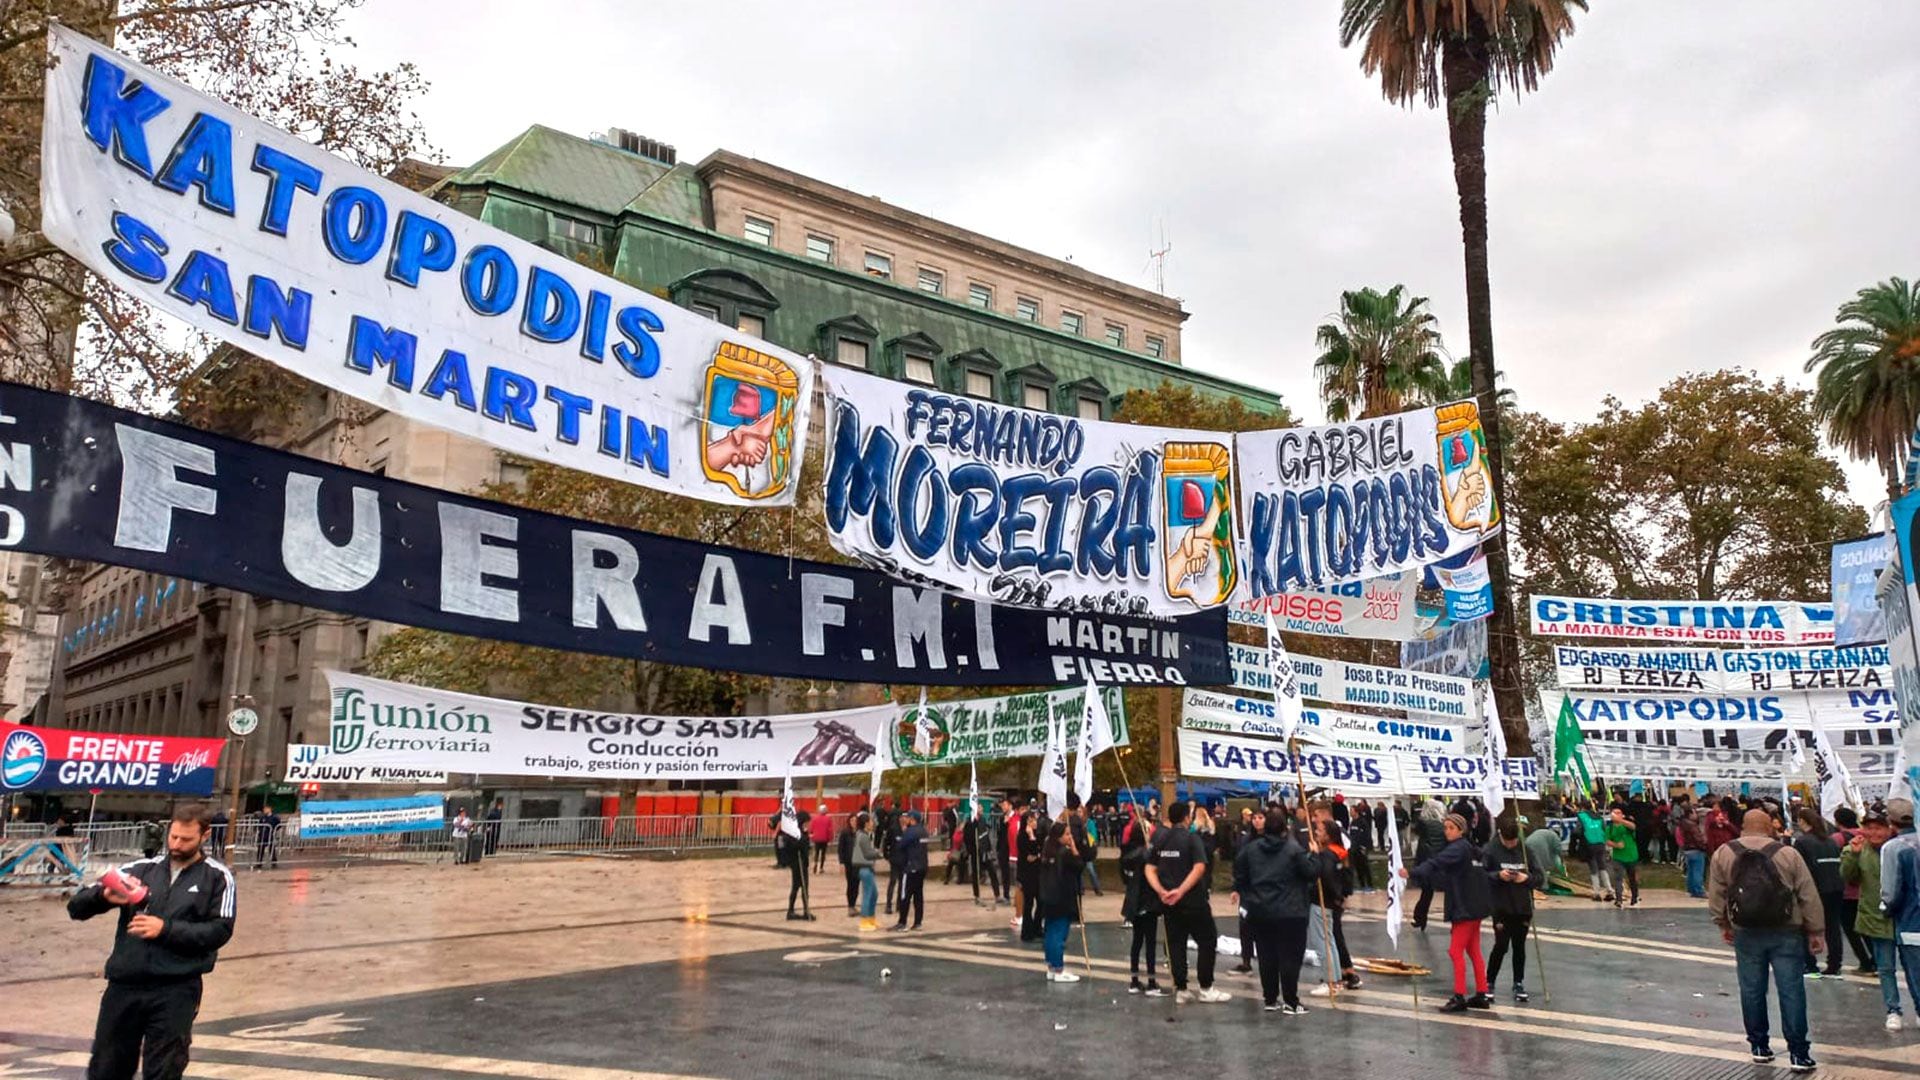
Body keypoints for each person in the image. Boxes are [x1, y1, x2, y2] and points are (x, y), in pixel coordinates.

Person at [68, 802, 235, 1080]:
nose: (177, 844)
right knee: (106, 1067)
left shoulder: (218, 877)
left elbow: (220, 931)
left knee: (165, 1069)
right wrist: (102, 897)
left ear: (204, 836)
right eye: (173, 836)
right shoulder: (142, 869)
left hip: (176, 989)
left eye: (186, 839)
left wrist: (165, 929)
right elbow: (76, 907)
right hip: (124, 986)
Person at [1709, 807, 1824, 1072]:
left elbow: (1717, 894)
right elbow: (1807, 894)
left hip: (1745, 931)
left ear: (1743, 827)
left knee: (1751, 989)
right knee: (1791, 990)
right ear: (1769, 827)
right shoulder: (1787, 853)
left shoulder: (1724, 854)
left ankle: (1759, 1046)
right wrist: (1816, 931)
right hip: (1786, 931)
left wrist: (1723, 923)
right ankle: (1798, 1052)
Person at [1402, 813, 1493, 1013]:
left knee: (1455, 951)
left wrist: (1412, 872)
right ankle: (1481, 993)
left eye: (1451, 828)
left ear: (1461, 830)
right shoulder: (1468, 847)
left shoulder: (1457, 848)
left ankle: (1459, 995)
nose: (1447, 831)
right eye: (1446, 827)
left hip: (1464, 906)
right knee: (1473, 950)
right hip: (1474, 905)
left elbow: (1437, 863)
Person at [1147, 801, 1230, 1004]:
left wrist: (1161, 891)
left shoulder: (1161, 839)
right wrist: (1181, 890)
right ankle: (1206, 986)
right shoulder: (1192, 839)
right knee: (1207, 940)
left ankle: (1181, 988)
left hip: (1169, 902)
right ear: (1187, 817)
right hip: (1193, 900)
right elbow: (1199, 867)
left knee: (1176, 944)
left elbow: (1149, 867)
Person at [1233, 810, 1317, 1013]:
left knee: (1266, 955)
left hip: (1261, 909)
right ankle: (1290, 1000)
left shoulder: (1250, 850)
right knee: (1290, 956)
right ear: (1284, 828)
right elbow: (1310, 873)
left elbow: (1240, 875)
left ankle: (1270, 998)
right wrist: (1314, 855)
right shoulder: (1294, 850)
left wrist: (1248, 895)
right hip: (1291, 910)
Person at [1841, 806, 1903, 1028]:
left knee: (1913, 965)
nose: (1874, 833)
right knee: (1885, 967)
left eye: (1879, 828)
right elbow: (1849, 878)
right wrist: (1853, 856)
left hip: (1904, 916)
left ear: (1889, 829)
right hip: (1875, 915)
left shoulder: (1901, 847)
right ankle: (1893, 1009)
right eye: (1869, 828)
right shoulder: (1856, 849)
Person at [1485, 820, 1542, 1002]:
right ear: (1501, 836)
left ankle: (1518, 982)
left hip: (1522, 906)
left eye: (1514, 841)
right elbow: (1481, 875)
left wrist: (1526, 878)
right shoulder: (1491, 850)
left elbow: (1540, 877)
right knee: (1501, 946)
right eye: (1507, 841)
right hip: (1501, 907)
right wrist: (1497, 875)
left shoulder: (1526, 851)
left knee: (1519, 947)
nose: (1511, 844)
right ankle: (1489, 982)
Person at [1308, 817, 1363, 997]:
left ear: (1329, 835)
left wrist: (1314, 856)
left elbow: (1325, 876)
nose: (1316, 832)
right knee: (1330, 940)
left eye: (1320, 830)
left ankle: (1330, 980)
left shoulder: (1326, 855)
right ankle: (1336, 977)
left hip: (1323, 902)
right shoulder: (1341, 852)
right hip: (1334, 903)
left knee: (1322, 942)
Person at [1790, 808, 1844, 978]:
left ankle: (1810, 965)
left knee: (1807, 926)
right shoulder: (1831, 841)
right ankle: (1834, 965)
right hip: (1836, 887)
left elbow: (1799, 869)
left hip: (1814, 889)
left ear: (1802, 821)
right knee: (1833, 928)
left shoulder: (1802, 842)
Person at [1120, 804, 1163, 995]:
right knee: (1150, 942)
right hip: (1147, 901)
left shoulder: (1126, 854)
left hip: (1133, 901)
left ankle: (1134, 979)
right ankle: (1152, 981)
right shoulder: (1146, 855)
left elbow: (1124, 877)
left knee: (1136, 941)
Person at [1830, 807, 1874, 974]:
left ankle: (1864, 962)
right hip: (1866, 889)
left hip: (1847, 890)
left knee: (1851, 929)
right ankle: (1875, 958)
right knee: (1867, 928)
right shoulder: (1865, 835)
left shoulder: (1837, 838)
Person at [1039, 821, 1084, 982]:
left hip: (1048, 896)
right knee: (1059, 934)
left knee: (1050, 933)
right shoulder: (1064, 853)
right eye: (1066, 834)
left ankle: (1052, 966)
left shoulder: (1047, 851)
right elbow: (1079, 865)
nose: (1070, 837)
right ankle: (1058, 969)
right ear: (1058, 837)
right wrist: (1074, 848)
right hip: (1062, 897)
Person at [1410, 799, 1448, 929]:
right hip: (1441, 861)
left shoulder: (1423, 824)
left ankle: (1420, 918)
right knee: (1449, 891)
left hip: (1427, 860)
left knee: (1426, 893)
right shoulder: (1444, 825)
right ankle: (1452, 918)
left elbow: (1415, 830)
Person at [889, 810, 927, 931]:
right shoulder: (924, 831)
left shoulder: (911, 831)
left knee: (905, 895)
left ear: (912, 819)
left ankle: (902, 922)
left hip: (910, 867)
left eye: (908, 818)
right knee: (918, 896)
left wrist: (905, 833)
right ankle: (918, 922)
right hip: (922, 867)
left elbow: (900, 845)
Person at [851, 812, 882, 933]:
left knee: (874, 893)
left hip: (866, 867)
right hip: (863, 867)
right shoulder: (863, 836)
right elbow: (867, 854)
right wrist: (878, 854)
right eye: (871, 821)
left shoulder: (863, 835)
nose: (872, 823)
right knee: (868, 893)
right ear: (866, 823)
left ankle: (871, 918)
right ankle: (864, 921)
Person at [1605, 806, 1641, 907]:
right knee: (1618, 878)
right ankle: (1619, 899)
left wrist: (1621, 820)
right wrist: (1616, 845)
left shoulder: (1626, 825)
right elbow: (1607, 840)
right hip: (1618, 857)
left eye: (1618, 813)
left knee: (1632, 878)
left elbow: (1633, 827)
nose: (1616, 815)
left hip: (1631, 855)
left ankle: (1635, 897)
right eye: (1614, 813)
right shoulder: (1610, 828)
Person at [1676, 794, 1710, 898]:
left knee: (1691, 871)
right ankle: (1698, 890)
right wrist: (1704, 846)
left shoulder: (1683, 824)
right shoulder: (1692, 826)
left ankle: (1691, 889)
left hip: (1687, 850)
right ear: (1690, 814)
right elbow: (1698, 839)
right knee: (1697, 871)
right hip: (1696, 849)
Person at [1577, 802, 1613, 902]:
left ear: (1583, 808)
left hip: (1589, 843)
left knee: (1593, 868)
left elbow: (1577, 831)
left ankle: (1596, 893)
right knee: (1602, 866)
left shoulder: (1581, 816)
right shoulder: (1599, 817)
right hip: (1600, 843)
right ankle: (1609, 890)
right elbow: (1604, 829)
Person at [1524, 820, 1567, 890]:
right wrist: (1562, 860)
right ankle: (1544, 886)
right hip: (1539, 844)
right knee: (1542, 865)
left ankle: (1532, 884)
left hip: (1528, 842)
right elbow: (1558, 849)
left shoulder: (1544, 832)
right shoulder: (1555, 836)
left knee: (1532, 865)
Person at [837, 813, 860, 916]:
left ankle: (854, 905)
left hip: (858, 863)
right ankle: (850, 906)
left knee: (856, 885)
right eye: (852, 820)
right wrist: (841, 862)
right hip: (848, 863)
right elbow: (840, 848)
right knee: (850, 884)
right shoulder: (845, 833)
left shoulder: (860, 833)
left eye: (855, 820)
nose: (854, 822)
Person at [253, 806, 281, 870]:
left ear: (270, 809)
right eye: (264, 809)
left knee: (271, 849)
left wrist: (274, 830)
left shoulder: (274, 817)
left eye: (266, 809)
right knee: (260, 849)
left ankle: (274, 862)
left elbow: (278, 825)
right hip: (262, 835)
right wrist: (259, 831)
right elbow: (259, 825)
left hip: (270, 834)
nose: (264, 810)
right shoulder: (263, 817)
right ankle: (259, 863)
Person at [809, 804, 834, 874]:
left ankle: (815, 863)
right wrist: (830, 838)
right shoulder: (828, 819)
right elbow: (830, 830)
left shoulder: (814, 818)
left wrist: (811, 835)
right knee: (823, 853)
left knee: (816, 852)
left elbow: (811, 828)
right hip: (824, 838)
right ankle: (821, 868)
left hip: (816, 838)